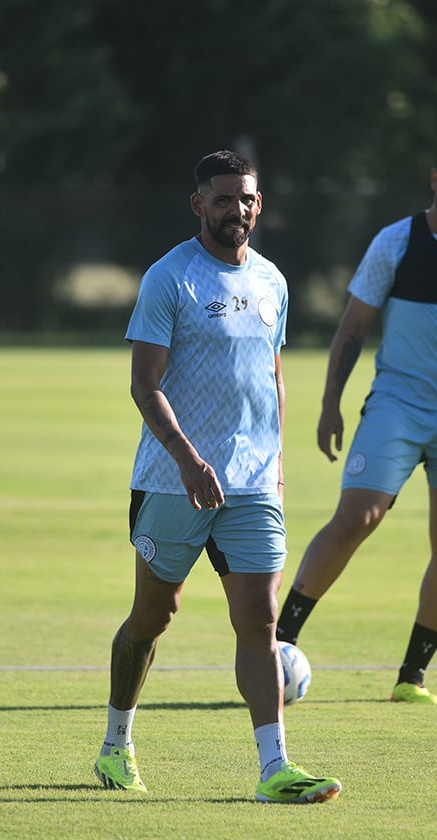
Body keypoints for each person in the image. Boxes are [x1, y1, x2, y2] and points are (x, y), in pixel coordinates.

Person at [95, 150, 341, 804]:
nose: (240, 211)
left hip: (253, 484)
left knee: (259, 622)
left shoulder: (272, 282)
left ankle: (274, 769)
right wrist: (187, 457)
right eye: (226, 199)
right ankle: (116, 744)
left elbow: (274, 381)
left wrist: (278, 467)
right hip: (173, 481)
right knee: (153, 617)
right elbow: (144, 386)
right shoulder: (169, 279)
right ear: (199, 204)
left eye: (249, 200)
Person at [274, 134, 437, 705]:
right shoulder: (396, 243)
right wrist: (330, 403)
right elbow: (352, 329)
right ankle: (277, 640)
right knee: (357, 518)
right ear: (433, 180)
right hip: (396, 406)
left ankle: (411, 676)